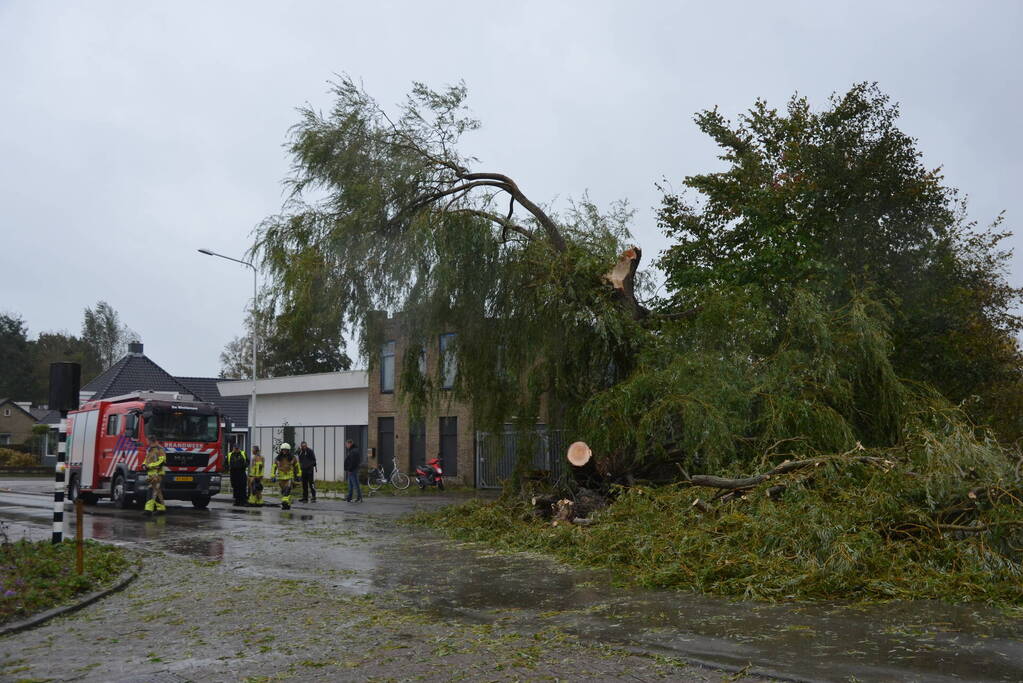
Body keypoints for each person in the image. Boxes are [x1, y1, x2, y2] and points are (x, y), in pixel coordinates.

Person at [272, 443, 301, 510]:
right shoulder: (277, 459)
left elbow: (297, 467)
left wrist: (299, 475)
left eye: (286, 450)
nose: (284, 451)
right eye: (283, 450)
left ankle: (284, 502)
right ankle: (287, 503)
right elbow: (274, 467)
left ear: (288, 450)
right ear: (281, 450)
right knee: (283, 492)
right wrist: (272, 475)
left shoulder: (293, 458)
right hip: (281, 478)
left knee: (287, 490)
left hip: (289, 477)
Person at [142, 444, 167, 516]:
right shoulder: (150, 451)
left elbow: (162, 462)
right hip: (151, 474)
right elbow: (146, 460)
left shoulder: (159, 450)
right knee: (157, 492)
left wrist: (149, 466)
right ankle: (161, 509)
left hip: (157, 474)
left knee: (151, 491)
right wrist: (144, 465)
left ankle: (148, 510)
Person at [343, 438, 362, 503]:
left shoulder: (353, 451)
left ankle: (358, 497)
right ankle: (349, 497)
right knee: (350, 485)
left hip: (352, 470)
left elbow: (353, 462)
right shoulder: (353, 450)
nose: (346, 446)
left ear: (350, 443)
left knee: (355, 484)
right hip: (351, 470)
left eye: (347, 444)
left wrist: (350, 469)